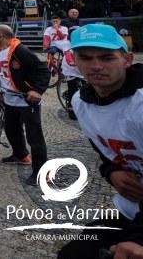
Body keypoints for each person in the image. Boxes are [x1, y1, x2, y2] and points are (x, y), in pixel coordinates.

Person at [56, 24, 143, 259]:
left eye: (106, 57)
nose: (95, 66)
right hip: (128, 208)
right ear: (75, 60)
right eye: (86, 58)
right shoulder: (80, 102)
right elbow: (105, 151)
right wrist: (112, 171)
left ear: (127, 59)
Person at [0, 24, 49, 185]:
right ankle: (21, 155)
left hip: (26, 101)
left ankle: (42, 172)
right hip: (10, 100)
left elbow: (43, 69)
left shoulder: (20, 51)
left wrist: (38, 90)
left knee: (34, 137)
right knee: (11, 130)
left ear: (1, 36)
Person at [61, 26, 85, 120]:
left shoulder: (83, 41)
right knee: (73, 88)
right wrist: (71, 62)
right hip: (70, 68)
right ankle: (71, 111)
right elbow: (67, 54)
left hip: (81, 67)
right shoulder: (67, 43)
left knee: (87, 87)